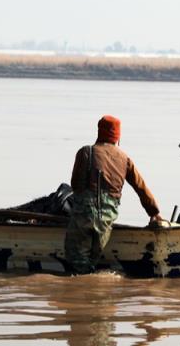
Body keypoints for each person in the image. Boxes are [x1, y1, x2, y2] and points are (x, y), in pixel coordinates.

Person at [64, 115, 165, 274]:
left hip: (84, 215)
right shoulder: (125, 159)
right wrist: (154, 212)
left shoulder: (86, 152)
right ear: (118, 137)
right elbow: (140, 187)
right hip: (107, 218)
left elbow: (76, 185)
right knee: (92, 260)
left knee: (76, 261)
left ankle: (81, 289)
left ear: (99, 133)